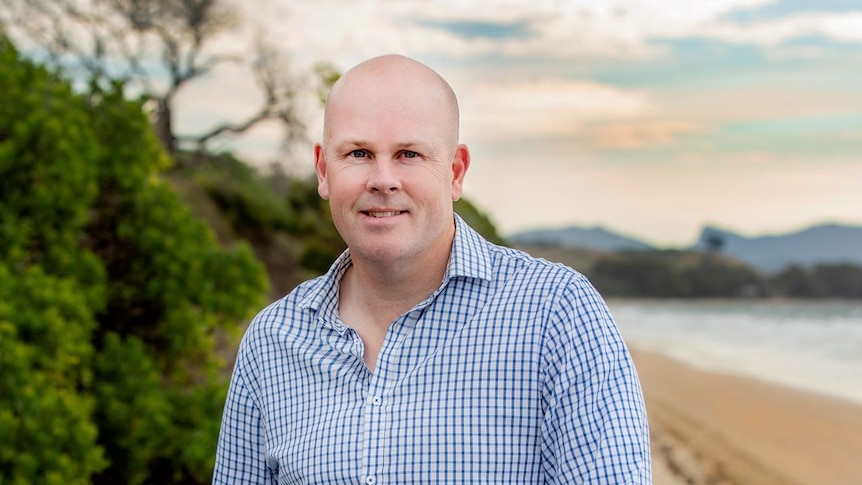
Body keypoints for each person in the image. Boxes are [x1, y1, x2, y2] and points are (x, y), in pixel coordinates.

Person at [213, 54, 651, 484]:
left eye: (409, 154)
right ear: (324, 170)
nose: (383, 179)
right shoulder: (272, 342)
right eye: (359, 153)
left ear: (456, 171)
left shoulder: (557, 314)